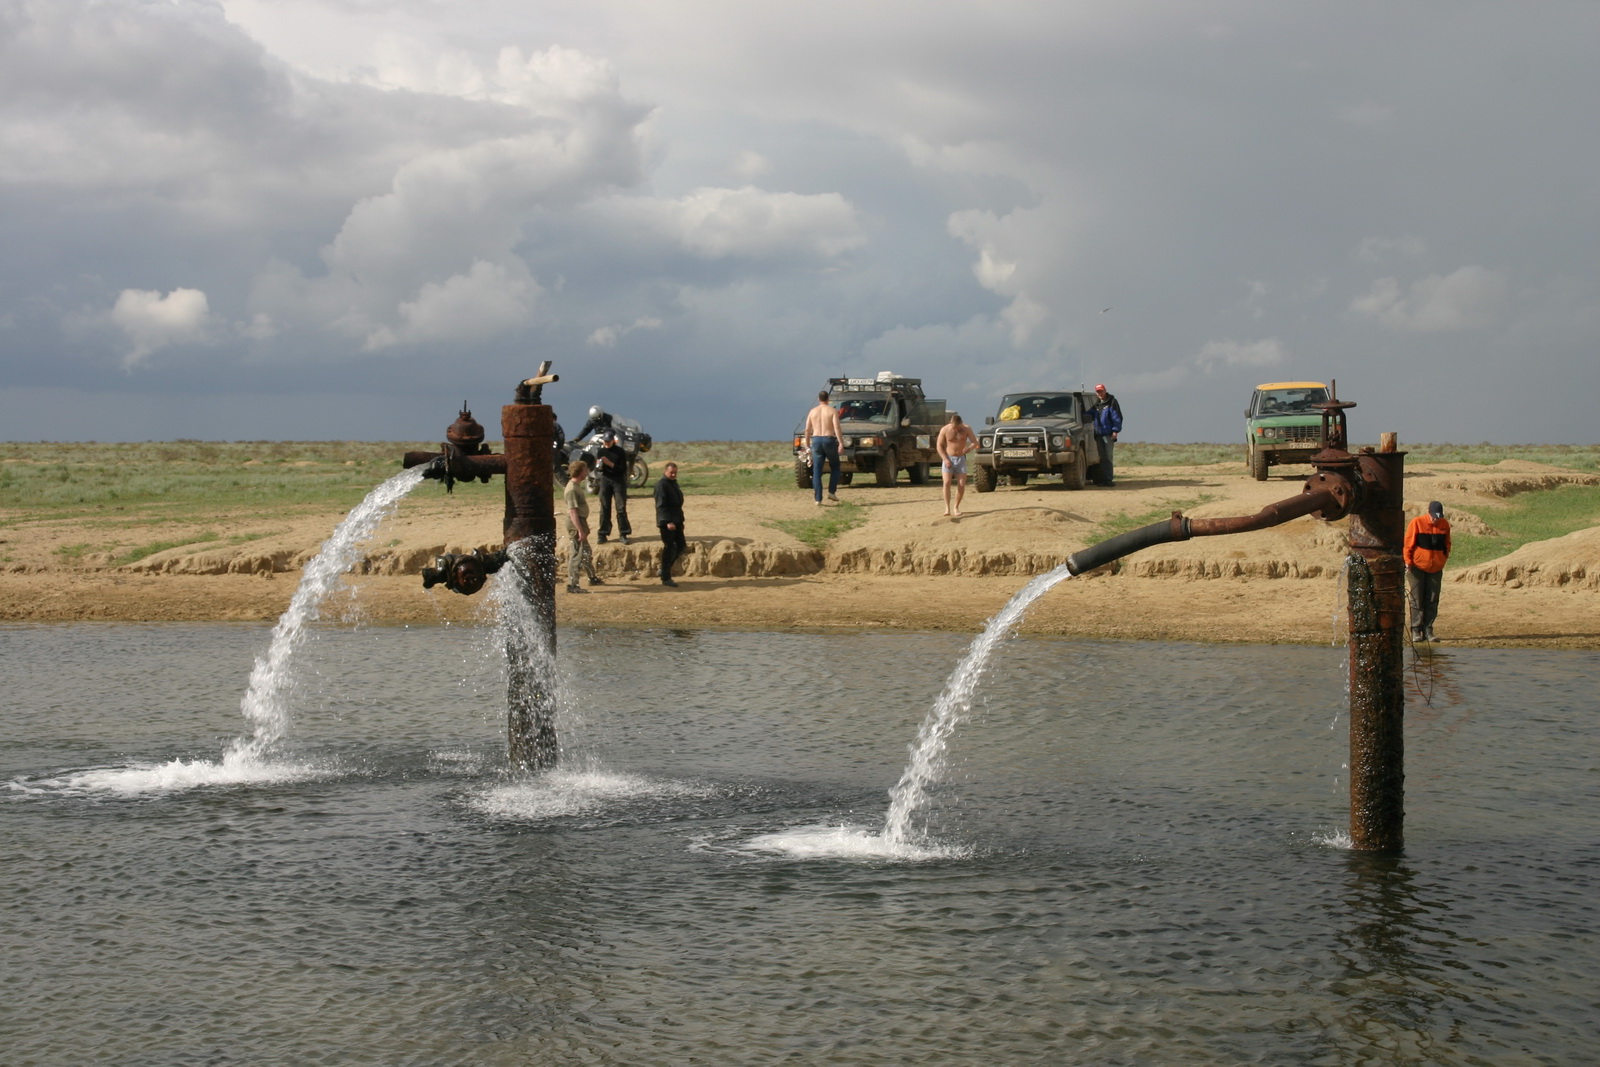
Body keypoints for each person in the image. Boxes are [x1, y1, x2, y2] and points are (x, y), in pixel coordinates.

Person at [1404, 500, 1452, 641]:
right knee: (1416, 599)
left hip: (1436, 567)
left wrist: (1443, 557)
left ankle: (1428, 630)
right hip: (1416, 567)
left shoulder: (1444, 524)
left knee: (1432, 599)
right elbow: (1408, 544)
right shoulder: (1417, 523)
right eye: (1434, 516)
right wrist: (1407, 562)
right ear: (1429, 512)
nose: (1436, 519)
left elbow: (1447, 543)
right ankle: (1416, 630)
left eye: (1438, 516)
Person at [562, 459, 603, 593]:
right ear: (580, 472)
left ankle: (592, 577)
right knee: (577, 554)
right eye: (585, 470)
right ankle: (572, 584)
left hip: (580, 522)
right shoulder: (572, 489)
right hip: (576, 524)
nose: (587, 473)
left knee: (586, 552)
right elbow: (572, 512)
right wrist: (580, 530)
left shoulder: (575, 486)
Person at [803, 390, 843, 506]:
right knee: (835, 466)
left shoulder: (812, 411)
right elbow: (837, 428)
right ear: (828, 399)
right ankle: (831, 491)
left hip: (816, 440)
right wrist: (840, 442)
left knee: (817, 470)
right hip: (828, 439)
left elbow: (807, 429)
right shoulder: (832, 411)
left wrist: (807, 445)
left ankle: (818, 499)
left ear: (818, 399)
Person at [936, 412, 978, 518]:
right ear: (951, 423)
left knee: (961, 484)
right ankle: (947, 507)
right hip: (948, 458)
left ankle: (956, 507)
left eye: (958, 428)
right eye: (954, 428)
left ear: (961, 424)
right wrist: (945, 459)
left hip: (960, 458)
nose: (956, 430)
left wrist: (969, 448)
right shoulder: (945, 429)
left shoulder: (967, 428)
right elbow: (939, 446)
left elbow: (975, 442)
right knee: (947, 482)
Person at [594, 429, 632, 544]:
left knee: (620, 508)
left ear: (613, 440)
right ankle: (603, 533)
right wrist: (599, 465)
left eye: (608, 441)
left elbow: (623, 469)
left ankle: (624, 533)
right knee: (604, 507)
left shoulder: (620, 452)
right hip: (605, 480)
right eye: (605, 441)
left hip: (618, 481)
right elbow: (598, 468)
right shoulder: (600, 451)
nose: (606, 443)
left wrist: (609, 463)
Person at [654, 461, 686, 587]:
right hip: (667, 523)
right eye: (671, 472)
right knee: (670, 548)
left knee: (681, 546)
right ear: (665, 472)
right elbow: (661, 505)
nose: (673, 475)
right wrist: (668, 521)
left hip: (676, 521)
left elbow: (678, 505)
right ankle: (666, 578)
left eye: (675, 473)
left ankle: (663, 570)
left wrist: (681, 521)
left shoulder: (673, 484)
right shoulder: (661, 485)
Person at [1091, 383, 1122, 487]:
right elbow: (1088, 414)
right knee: (1102, 458)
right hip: (1098, 434)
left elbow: (1117, 417)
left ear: (1105, 391)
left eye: (1101, 391)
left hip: (1108, 434)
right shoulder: (1096, 404)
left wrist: (1115, 431)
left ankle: (1109, 479)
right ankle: (1103, 480)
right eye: (1097, 391)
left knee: (1108, 458)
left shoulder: (1112, 402)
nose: (1099, 393)